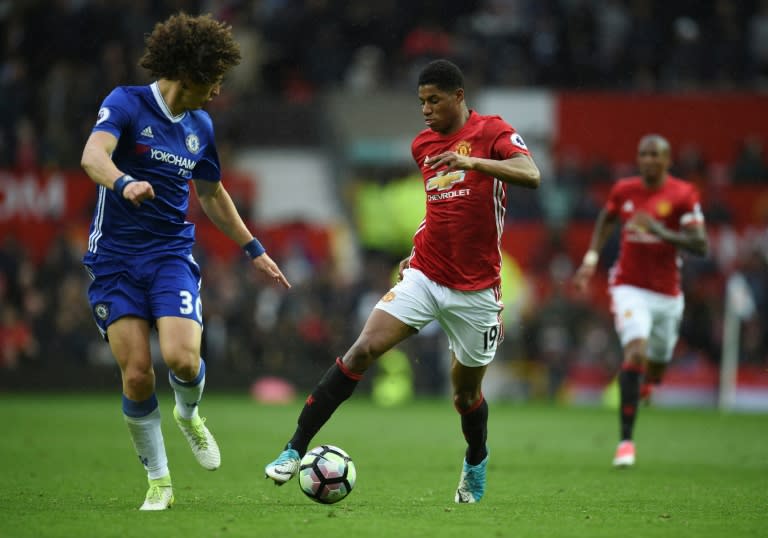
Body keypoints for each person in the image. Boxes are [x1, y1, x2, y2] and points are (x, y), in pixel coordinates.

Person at [264, 59, 541, 503]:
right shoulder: (423, 145)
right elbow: (440, 211)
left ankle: (475, 460)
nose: (426, 109)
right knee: (362, 349)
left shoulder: (492, 132)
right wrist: (414, 254)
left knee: (465, 394)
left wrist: (480, 166)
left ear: (458, 96)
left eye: (434, 100)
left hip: (476, 292)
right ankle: (293, 448)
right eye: (421, 102)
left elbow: (532, 174)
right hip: (426, 276)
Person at [80, 12, 290, 511]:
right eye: (212, 82)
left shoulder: (200, 125)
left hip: (170, 255)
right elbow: (92, 155)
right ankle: (159, 480)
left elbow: (212, 193)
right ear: (188, 76)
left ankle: (189, 414)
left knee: (182, 359)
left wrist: (253, 248)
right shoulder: (127, 103)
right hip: (114, 259)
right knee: (135, 374)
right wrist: (124, 182)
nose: (217, 92)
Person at [573, 134, 708, 468]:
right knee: (635, 352)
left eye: (654, 155)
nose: (647, 160)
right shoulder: (624, 191)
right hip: (628, 286)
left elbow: (700, 244)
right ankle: (626, 442)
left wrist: (659, 231)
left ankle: (647, 384)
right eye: (643, 154)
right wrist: (591, 258)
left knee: (658, 367)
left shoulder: (683, 194)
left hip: (667, 295)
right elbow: (607, 218)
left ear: (667, 160)